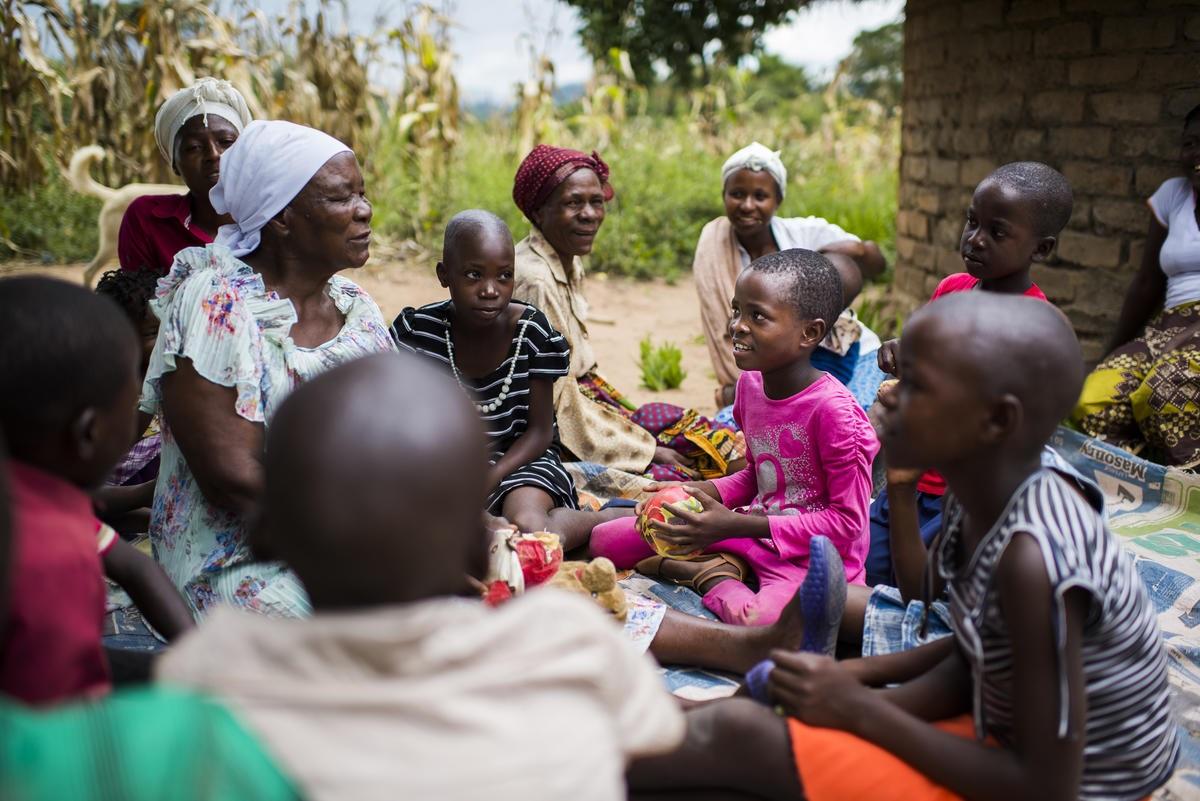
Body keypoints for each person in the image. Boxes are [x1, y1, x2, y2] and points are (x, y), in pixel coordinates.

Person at [628, 293, 1180, 801]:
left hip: (1078, 785)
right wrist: (854, 684)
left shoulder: (1033, 556)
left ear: (996, 420)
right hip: (1006, 727)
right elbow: (975, 655)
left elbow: (1042, 784)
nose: (883, 399)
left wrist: (860, 712)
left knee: (740, 735)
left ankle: (578, 765)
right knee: (768, 708)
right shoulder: (988, 492)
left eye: (916, 386)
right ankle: (674, 729)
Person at [155, 352, 686, 801]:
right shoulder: (568, 643)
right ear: (479, 549)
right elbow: (657, 735)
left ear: (263, 535)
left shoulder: (212, 670)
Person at [139, 120, 395, 620]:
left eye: (362, 193)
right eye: (342, 198)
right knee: (362, 640)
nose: (364, 211)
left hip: (349, 539)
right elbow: (231, 479)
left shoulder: (355, 307)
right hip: (233, 559)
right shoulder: (218, 304)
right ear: (281, 218)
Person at [591, 249, 879, 627]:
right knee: (603, 542)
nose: (738, 326)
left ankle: (712, 574)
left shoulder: (836, 415)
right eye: (736, 310)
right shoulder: (751, 385)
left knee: (760, 621)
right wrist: (699, 494)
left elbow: (847, 524)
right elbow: (761, 476)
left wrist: (734, 525)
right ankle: (717, 559)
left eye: (757, 316)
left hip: (809, 557)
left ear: (809, 333)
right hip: (748, 531)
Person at [867, 161, 1072, 589]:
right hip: (911, 474)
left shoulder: (1033, 324)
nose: (975, 239)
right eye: (972, 222)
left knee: (926, 588)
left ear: (1041, 249)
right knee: (870, 567)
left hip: (961, 496)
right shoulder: (951, 288)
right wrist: (901, 353)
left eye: (997, 233)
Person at [0, 278, 193, 706]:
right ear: (89, 433)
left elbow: (135, 569)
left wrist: (196, 656)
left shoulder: (34, 498)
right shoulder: (52, 560)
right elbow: (60, 713)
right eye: (129, 408)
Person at [393, 210, 631, 546]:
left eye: (504, 276)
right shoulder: (419, 333)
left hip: (520, 459)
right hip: (448, 467)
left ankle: (603, 519)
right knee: (470, 534)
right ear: (444, 275)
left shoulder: (531, 333)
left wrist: (491, 476)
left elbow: (539, 432)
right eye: (474, 275)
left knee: (531, 531)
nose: (490, 290)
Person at [511, 144, 742, 482]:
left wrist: (637, 439)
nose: (589, 214)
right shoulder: (536, 279)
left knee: (703, 440)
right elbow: (556, 402)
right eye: (573, 203)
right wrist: (642, 450)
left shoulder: (564, 259)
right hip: (560, 422)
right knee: (677, 474)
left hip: (588, 404)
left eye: (596, 202)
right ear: (538, 212)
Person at [694, 141, 888, 408]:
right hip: (773, 374)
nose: (748, 205)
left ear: (778, 200)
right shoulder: (715, 248)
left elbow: (875, 261)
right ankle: (745, 391)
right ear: (724, 194)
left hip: (844, 354)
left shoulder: (806, 233)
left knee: (854, 417)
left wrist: (839, 255)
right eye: (737, 194)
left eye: (760, 196)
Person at [1073, 105, 1200, 467]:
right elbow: (1147, 282)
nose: (1195, 154)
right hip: (1171, 325)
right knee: (1095, 399)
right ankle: (1153, 475)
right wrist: (1109, 354)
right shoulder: (1174, 195)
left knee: (1165, 395)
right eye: (1189, 143)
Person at [118, 78, 253, 274]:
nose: (214, 154)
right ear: (174, 164)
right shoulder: (148, 220)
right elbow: (134, 300)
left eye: (226, 141)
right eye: (194, 147)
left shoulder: (277, 220)